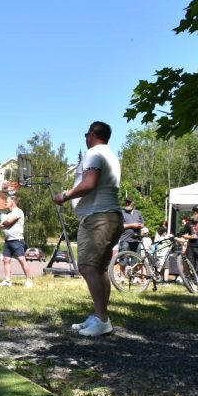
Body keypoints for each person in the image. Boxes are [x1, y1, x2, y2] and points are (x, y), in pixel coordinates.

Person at [54, 121, 123, 337]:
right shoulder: (110, 155)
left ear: (92, 135)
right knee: (99, 269)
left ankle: (102, 320)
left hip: (97, 218)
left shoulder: (94, 154)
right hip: (109, 216)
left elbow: (89, 183)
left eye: (87, 134)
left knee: (87, 267)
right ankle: (100, 316)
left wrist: (65, 195)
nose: (86, 138)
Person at [0, 193, 33, 287]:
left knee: (21, 259)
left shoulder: (18, 211)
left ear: (12, 202)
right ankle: (7, 281)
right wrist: (5, 224)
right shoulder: (8, 214)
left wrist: (5, 223)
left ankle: (29, 280)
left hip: (17, 240)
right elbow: (0, 226)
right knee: (6, 259)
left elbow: (7, 222)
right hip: (8, 240)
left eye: (7, 201)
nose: (6, 203)